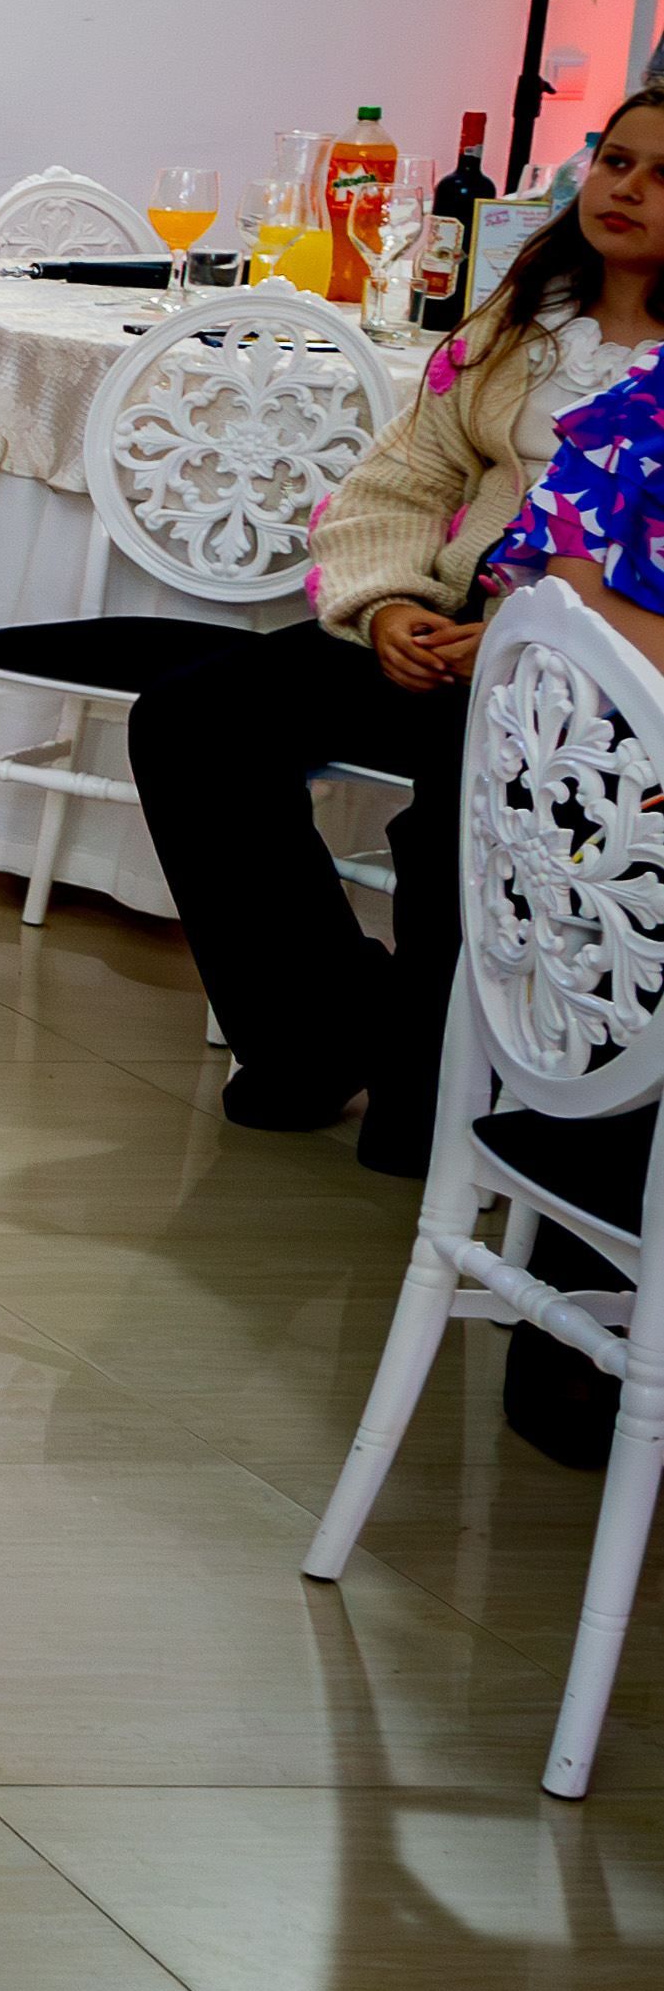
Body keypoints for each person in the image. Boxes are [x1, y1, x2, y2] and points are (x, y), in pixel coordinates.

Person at [136, 81, 664, 1174]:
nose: (626, 190)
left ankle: (438, 1082)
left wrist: (517, 638)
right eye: (616, 161)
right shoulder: (522, 320)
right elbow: (399, 481)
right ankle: (319, 1032)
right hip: (446, 627)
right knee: (195, 720)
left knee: (453, 827)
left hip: (597, 679)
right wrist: (384, 605)